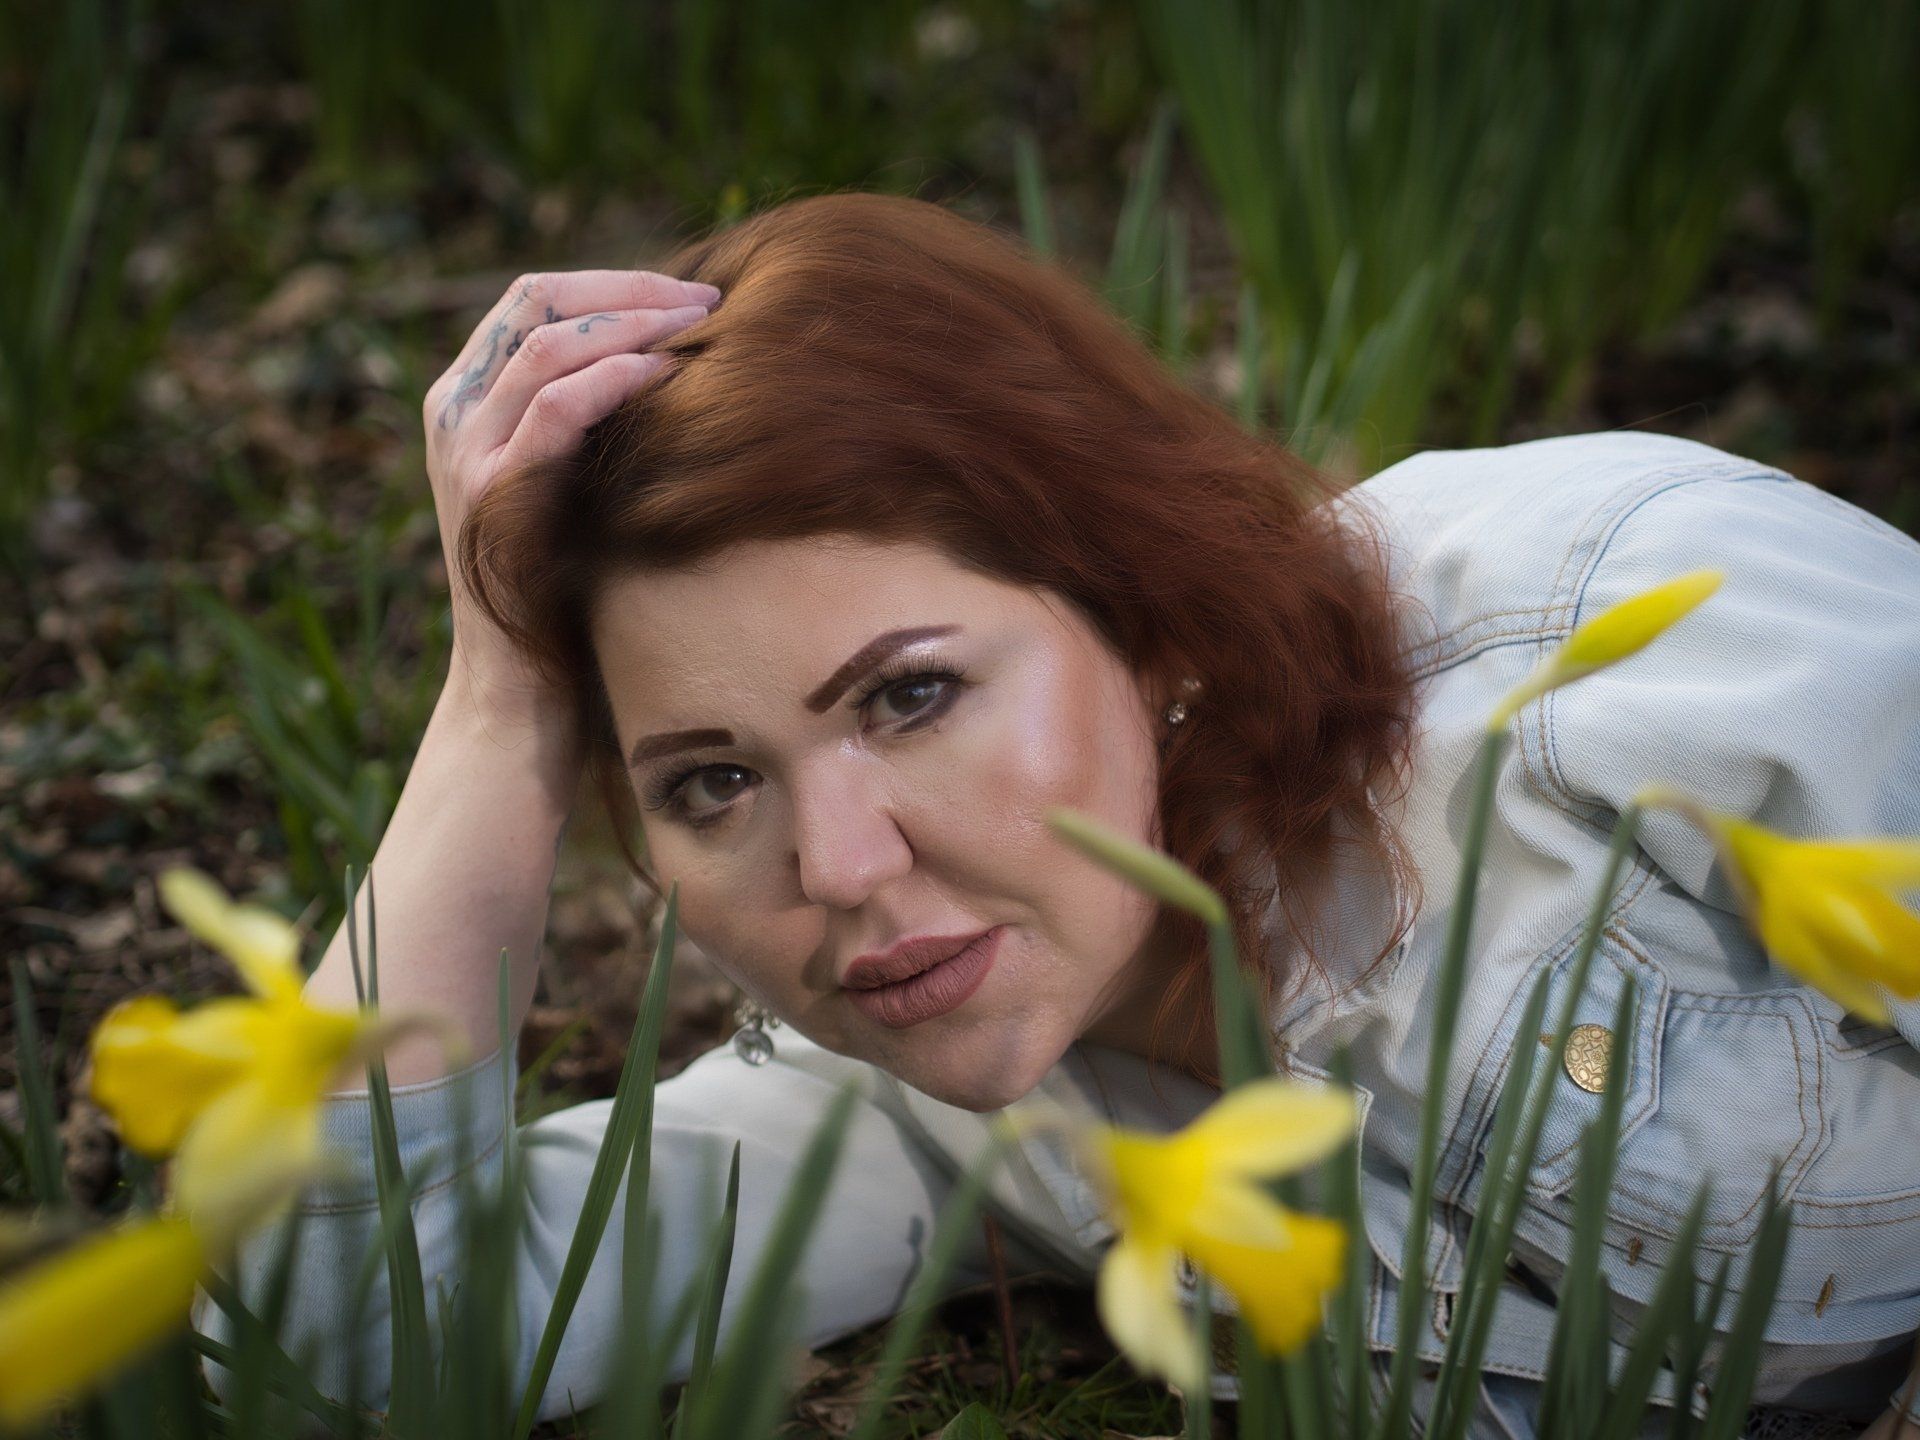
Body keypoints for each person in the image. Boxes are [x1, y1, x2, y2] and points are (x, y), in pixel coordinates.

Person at [198, 193, 1920, 1440]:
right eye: (710, 782)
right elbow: (340, 1345)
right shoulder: (945, 1094)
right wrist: (500, 692)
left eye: (912, 696)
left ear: (1146, 602)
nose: (845, 873)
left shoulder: (1632, 645)